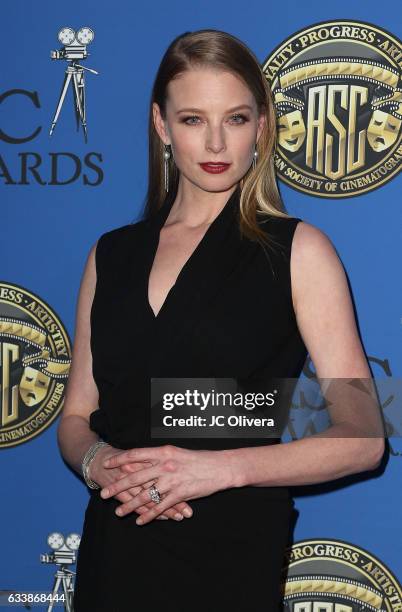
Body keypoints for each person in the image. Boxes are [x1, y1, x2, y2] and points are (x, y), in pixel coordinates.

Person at [57, 29, 384, 612]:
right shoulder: (110, 254)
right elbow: (76, 415)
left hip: (231, 549)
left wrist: (215, 470)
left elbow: (364, 437)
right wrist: (97, 462)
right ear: (161, 126)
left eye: (234, 118)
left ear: (261, 127)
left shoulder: (298, 250)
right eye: (191, 120)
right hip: (116, 547)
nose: (214, 141)